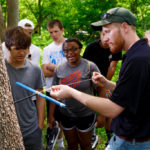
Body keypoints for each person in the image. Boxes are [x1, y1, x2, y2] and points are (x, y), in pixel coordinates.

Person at [50, 7, 150, 150]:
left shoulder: (138, 59)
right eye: (103, 33)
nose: (104, 38)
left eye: (108, 32)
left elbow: (112, 109)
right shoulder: (137, 53)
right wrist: (107, 83)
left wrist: (70, 92)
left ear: (124, 27)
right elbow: (132, 92)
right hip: (128, 137)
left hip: (133, 142)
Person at [50, 38, 105, 150]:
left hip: (85, 114)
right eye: (66, 50)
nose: (70, 53)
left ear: (80, 49)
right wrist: (51, 115)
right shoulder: (59, 69)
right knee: (71, 144)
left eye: (74, 49)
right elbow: (53, 94)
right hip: (66, 114)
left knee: (85, 145)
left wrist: (101, 114)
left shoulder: (90, 66)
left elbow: (101, 90)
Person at [4, 26, 45, 150]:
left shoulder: (35, 70)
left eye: (25, 48)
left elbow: (40, 97)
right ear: (7, 47)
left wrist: (40, 125)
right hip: (7, 131)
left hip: (31, 129)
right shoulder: (2, 70)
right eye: (17, 49)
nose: (22, 53)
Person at [83, 31, 122, 148]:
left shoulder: (115, 47)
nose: (106, 38)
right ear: (100, 34)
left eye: (108, 35)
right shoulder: (91, 47)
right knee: (89, 105)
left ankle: (110, 136)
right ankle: (91, 133)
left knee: (108, 104)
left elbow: (113, 66)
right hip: (89, 80)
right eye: (103, 35)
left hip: (105, 79)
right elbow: (85, 66)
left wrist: (104, 83)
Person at [42, 19, 66, 150]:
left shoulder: (70, 45)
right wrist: (62, 70)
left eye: (56, 31)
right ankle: (58, 142)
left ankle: (65, 141)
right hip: (51, 87)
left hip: (68, 88)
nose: (53, 35)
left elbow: (74, 70)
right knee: (53, 118)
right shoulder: (47, 49)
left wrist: (53, 67)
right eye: (50, 32)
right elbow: (44, 72)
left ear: (62, 30)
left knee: (66, 117)